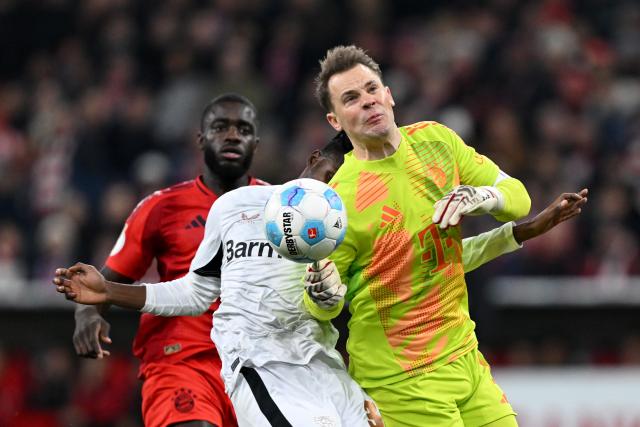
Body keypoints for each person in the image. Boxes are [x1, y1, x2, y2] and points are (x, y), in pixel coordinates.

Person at [54, 131, 586, 427]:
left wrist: (522, 231)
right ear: (313, 161)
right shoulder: (238, 206)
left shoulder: (350, 223)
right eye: (336, 171)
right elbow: (197, 290)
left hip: (326, 369)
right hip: (261, 364)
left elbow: (429, 263)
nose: (341, 189)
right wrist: (110, 292)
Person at [304, 45, 533, 427]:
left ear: (389, 94)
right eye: (351, 98)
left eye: (372, 89)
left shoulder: (437, 141)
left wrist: (481, 197)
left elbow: (519, 199)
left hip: (464, 354)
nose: (367, 102)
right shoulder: (335, 202)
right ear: (335, 121)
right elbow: (322, 307)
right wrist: (320, 293)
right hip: (399, 377)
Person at [72, 93, 266, 427]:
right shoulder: (161, 207)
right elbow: (105, 280)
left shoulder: (278, 209)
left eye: (243, 129)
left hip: (256, 366)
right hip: (181, 361)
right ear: (201, 139)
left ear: (256, 142)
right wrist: (87, 315)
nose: (233, 135)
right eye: (221, 127)